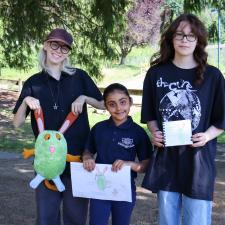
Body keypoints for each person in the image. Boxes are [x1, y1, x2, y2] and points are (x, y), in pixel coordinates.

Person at [13, 28, 105, 225]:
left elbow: (103, 104)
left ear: (69, 52)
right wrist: (25, 100)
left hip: (78, 159)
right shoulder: (33, 82)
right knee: (46, 218)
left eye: (64, 47)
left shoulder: (79, 77)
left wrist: (84, 97)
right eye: (54, 44)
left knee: (76, 217)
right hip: (47, 161)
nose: (58, 50)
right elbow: (17, 122)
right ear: (45, 45)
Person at [141, 13, 225, 225]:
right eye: (180, 35)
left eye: (190, 36)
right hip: (166, 161)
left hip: (198, 161)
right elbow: (150, 113)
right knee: (168, 220)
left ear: (198, 40)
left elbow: (222, 118)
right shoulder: (156, 74)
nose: (185, 40)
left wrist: (206, 136)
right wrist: (155, 132)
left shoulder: (212, 76)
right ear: (171, 38)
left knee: (196, 220)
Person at [82, 83, 152, 225]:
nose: (119, 108)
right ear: (106, 107)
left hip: (125, 188)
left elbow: (146, 165)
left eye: (123, 102)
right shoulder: (99, 128)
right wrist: (87, 158)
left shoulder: (138, 132)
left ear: (130, 102)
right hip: (99, 186)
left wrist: (130, 164)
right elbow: (87, 150)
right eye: (112, 104)